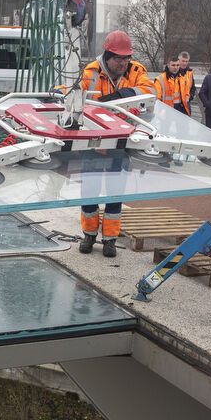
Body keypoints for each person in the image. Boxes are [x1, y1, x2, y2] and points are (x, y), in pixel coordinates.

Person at [76, 30, 152, 258]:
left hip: (121, 142)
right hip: (93, 142)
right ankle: (89, 235)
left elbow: (149, 92)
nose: (123, 63)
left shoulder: (137, 71)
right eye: (118, 58)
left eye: (126, 58)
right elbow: (80, 102)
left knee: (115, 194)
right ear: (107, 56)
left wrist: (123, 95)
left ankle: (109, 239)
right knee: (89, 192)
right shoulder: (90, 72)